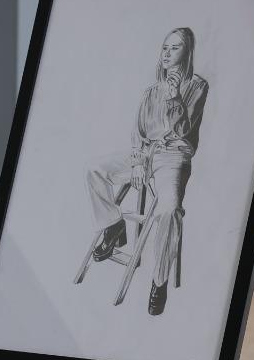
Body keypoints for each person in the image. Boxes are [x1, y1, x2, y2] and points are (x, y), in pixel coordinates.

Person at [84, 28, 208, 316]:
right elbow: (138, 133)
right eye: (164, 47)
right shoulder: (151, 92)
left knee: (169, 210)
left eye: (174, 48)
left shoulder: (197, 86)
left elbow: (184, 131)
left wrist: (175, 98)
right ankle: (114, 225)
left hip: (173, 157)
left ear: (187, 52)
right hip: (144, 155)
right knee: (94, 169)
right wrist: (139, 161)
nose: (166, 53)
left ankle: (159, 281)